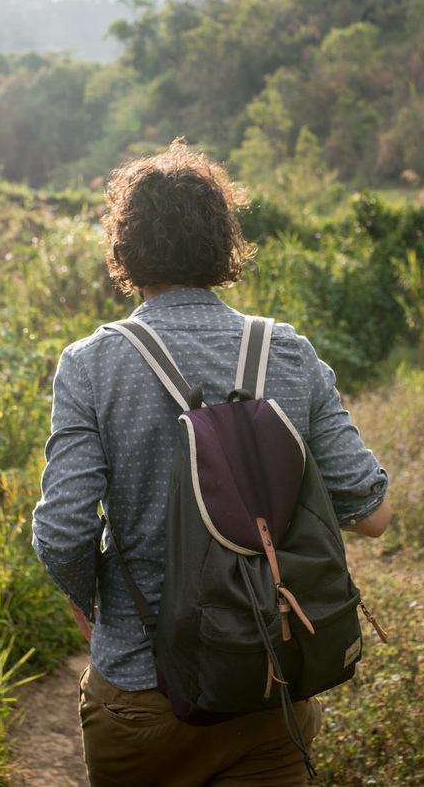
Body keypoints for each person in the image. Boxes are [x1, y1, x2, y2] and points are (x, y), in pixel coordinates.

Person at [32, 140, 392, 786]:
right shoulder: (288, 352)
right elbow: (373, 514)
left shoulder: (92, 365)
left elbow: (63, 531)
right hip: (267, 686)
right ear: (225, 242)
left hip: (143, 693)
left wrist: (94, 604)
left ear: (124, 246)